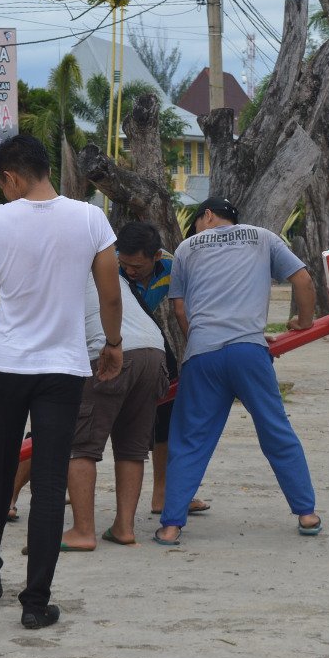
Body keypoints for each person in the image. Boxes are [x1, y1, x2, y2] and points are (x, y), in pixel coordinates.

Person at [0, 134, 122, 630]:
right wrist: (113, 343)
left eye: (2, 181)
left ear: (11, 178)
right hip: (61, 370)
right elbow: (109, 295)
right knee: (49, 481)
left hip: (4, 367)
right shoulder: (90, 218)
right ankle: (36, 603)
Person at [153, 198, 322, 546]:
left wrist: (200, 342)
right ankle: (307, 513)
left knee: (189, 440)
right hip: (249, 351)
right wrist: (303, 322)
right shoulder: (263, 237)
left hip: (203, 355)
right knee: (276, 430)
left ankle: (171, 527)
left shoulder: (186, 248)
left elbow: (180, 308)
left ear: (208, 215)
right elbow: (304, 280)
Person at [59, 271, 169, 550]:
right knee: (133, 447)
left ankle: (83, 531)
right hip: (154, 352)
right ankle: (124, 527)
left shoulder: (59, 271)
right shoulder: (106, 268)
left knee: (81, 445)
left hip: (110, 352)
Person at [114, 220, 211, 517]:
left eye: (137, 266)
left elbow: (197, 306)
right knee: (65, 414)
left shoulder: (173, 266)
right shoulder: (106, 265)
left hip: (143, 332)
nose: (130, 271)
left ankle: (163, 494)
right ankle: (12, 496)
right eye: (125, 264)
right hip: (98, 335)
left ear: (156, 257)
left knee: (168, 410)